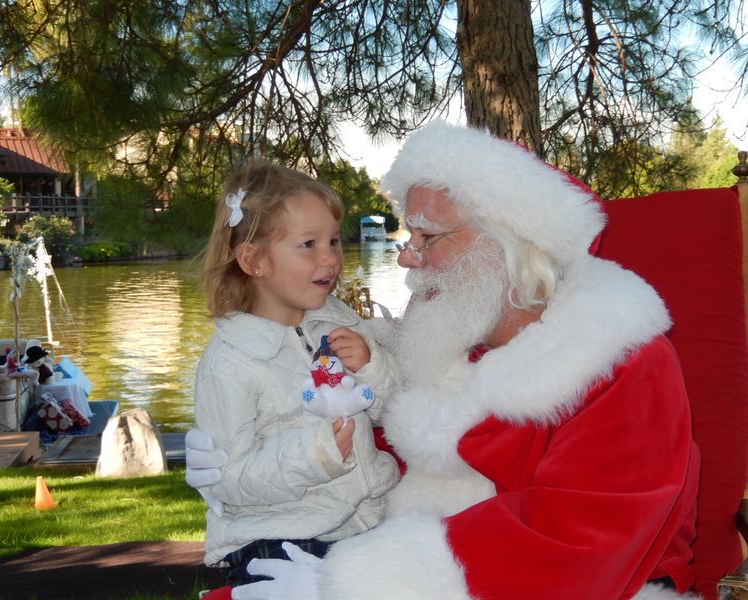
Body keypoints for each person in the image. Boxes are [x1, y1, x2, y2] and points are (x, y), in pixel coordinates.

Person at [188, 121, 700, 599]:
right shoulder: (445, 340)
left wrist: (352, 579)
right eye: (409, 238)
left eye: (427, 237)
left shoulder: (621, 362)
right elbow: (371, 436)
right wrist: (247, 469)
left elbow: (579, 540)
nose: (407, 258)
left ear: (507, 241)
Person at [188, 159, 400, 587]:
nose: (331, 258)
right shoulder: (229, 364)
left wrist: (374, 367)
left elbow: (392, 413)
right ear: (254, 260)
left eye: (335, 241)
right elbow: (229, 479)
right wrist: (315, 454)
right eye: (309, 244)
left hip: (368, 517)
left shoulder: (340, 321)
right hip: (277, 534)